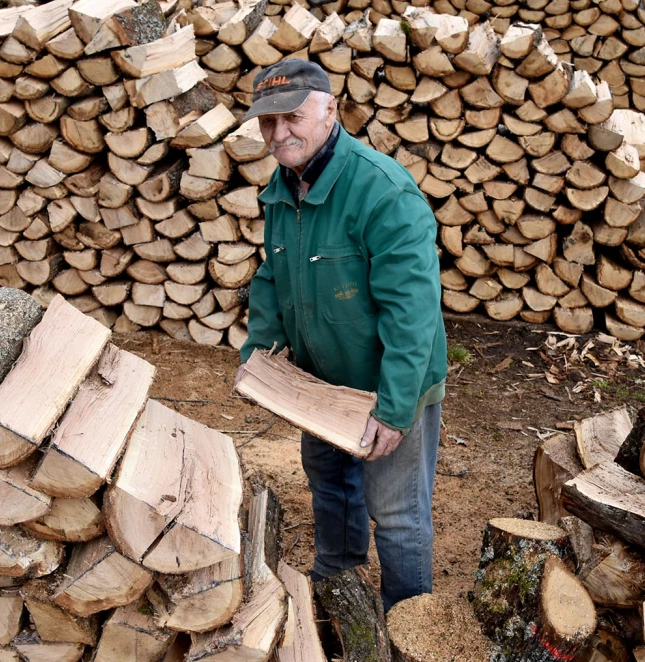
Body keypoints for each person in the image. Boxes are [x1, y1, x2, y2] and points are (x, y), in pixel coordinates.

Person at [233, 59, 448, 612]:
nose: (279, 134)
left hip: (387, 387)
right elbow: (271, 276)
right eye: (267, 122)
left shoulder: (382, 192)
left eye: (292, 117)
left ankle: (407, 625)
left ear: (331, 108)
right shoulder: (282, 189)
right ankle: (338, 601)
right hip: (322, 387)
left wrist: (395, 410)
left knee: (396, 515)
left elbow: (413, 314)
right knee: (332, 492)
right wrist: (260, 356)